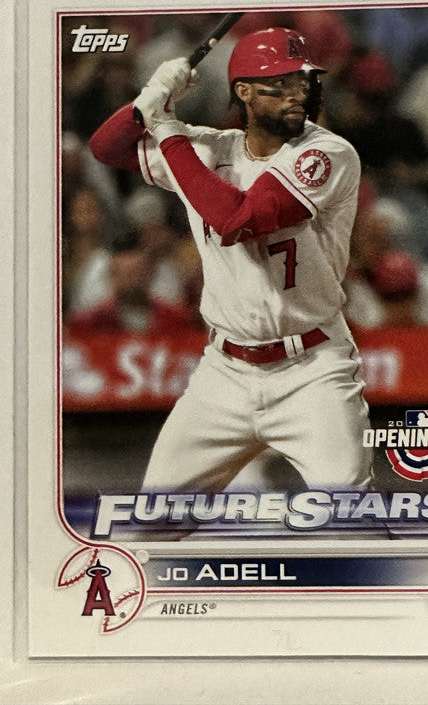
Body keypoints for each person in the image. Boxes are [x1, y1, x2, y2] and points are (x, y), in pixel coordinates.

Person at [89, 27, 372, 497]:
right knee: (148, 522)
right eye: (278, 83)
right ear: (244, 92)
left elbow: (238, 220)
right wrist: (150, 96)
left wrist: (166, 129)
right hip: (224, 371)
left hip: (312, 369)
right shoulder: (208, 149)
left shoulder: (325, 153)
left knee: (349, 517)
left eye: (301, 81)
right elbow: (106, 148)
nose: (296, 93)